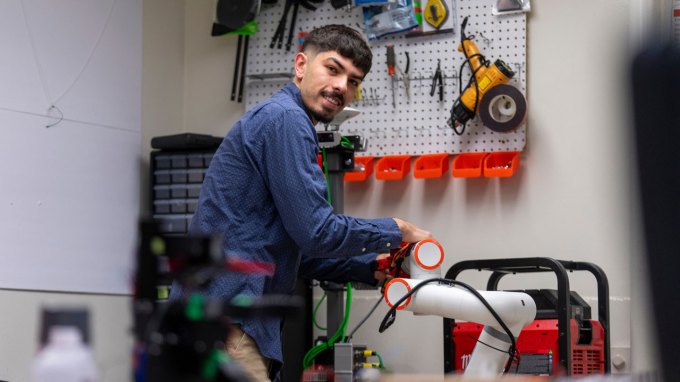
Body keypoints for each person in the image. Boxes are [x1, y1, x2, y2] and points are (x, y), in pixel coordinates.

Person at [173, 24, 433, 381]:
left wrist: (366, 268)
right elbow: (316, 232)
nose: (342, 86)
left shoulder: (285, 119)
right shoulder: (285, 120)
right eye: (333, 68)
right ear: (300, 65)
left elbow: (295, 248)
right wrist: (397, 229)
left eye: (354, 81)